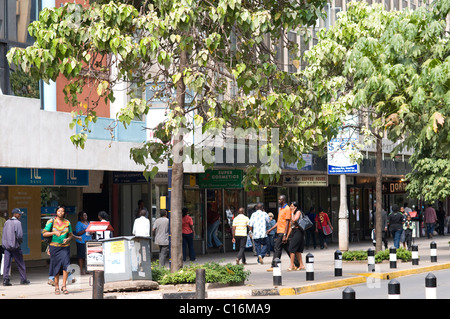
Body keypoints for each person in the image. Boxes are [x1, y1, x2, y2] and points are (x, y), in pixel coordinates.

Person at [42, 205, 73, 295]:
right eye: (59, 211)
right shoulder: (51, 221)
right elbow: (44, 234)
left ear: (64, 213)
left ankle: (64, 286)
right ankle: (56, 287)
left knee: (66, 266)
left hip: (65, 247)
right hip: (54, 247)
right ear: (56, 212)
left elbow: (70, 234)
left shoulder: (67, 222)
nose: (61, 213)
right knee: (56, 267)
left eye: (62, 211)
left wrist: (68, 239)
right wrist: (54, 232)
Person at [267, 195, 298, 271]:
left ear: (283, 200)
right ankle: (297, 264)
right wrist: (270, 229)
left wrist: (285, 235)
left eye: (280, 200)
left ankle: (274, 265)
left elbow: (287, 222)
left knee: (277, 248)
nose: (279, 201)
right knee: (288, 249)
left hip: (283, 232)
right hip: (279, 231)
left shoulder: (287, 209)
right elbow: (279, 222)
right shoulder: (281, 209)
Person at [2, 208, 29, 286]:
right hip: (15, 247)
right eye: (19, 214)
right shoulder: (17, 223)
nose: (20, 215)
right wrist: (18, 243)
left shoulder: (7, 222)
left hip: (6, 247)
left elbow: (4, 234)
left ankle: (5, 280)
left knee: (6, 264)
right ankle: (23, 279)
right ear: (15, 214)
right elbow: (19, 236)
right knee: (20, 263)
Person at [287, 202, 305, 271]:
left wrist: (292, 212)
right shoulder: (293, 213)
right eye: (290, 206)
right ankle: (301, 265)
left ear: (295, 207)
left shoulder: (298, 212)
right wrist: (287, 235)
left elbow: (294, 219)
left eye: (292, 206)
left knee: (292, 248)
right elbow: (291, 226)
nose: (290, 207)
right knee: (297, 250)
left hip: (298, 231)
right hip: (294, 231)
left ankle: (292, 265)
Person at [75, 211, 92, 275]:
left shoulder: (88, 223)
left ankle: (87, 269)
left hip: (88, 240)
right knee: (81, 256)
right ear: (81, 217)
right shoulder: (79, 223)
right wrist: (85, 230)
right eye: (84, 215)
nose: (86, 217)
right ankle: (81, 270)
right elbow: (78, 233)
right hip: (81, 241)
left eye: (86, 215)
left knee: (88, 256)